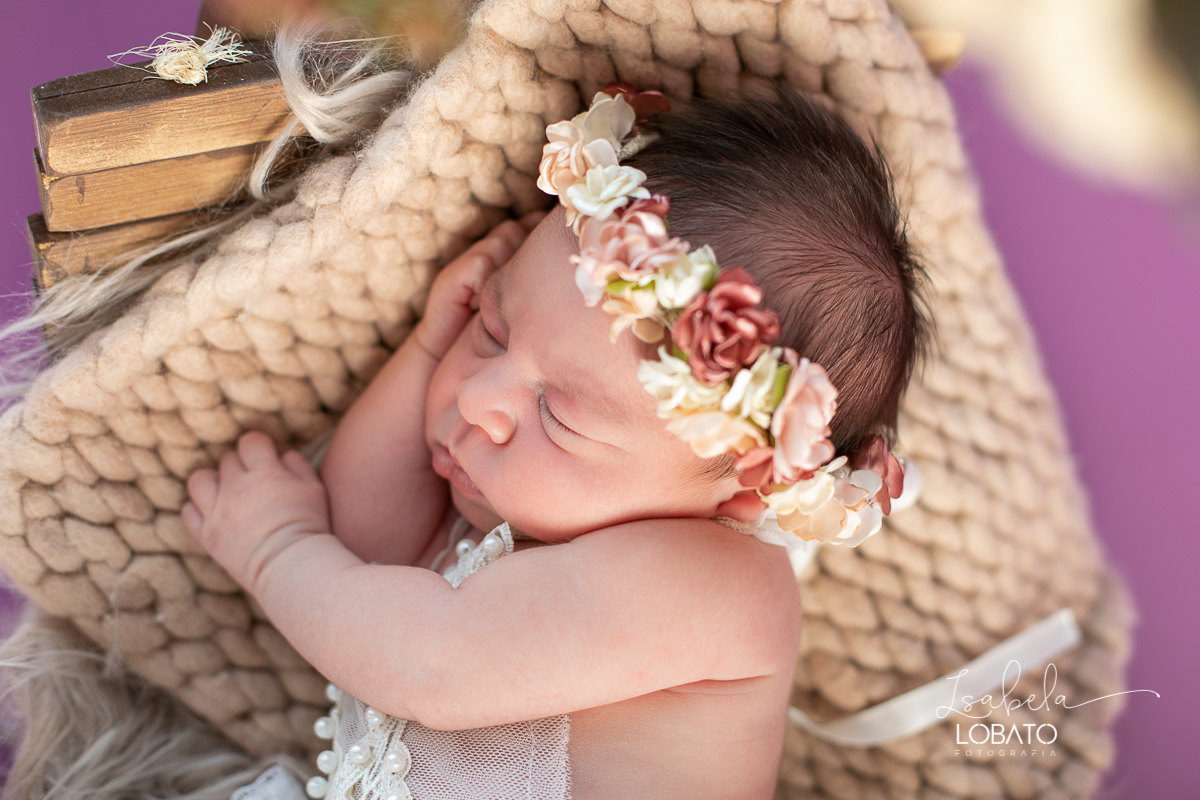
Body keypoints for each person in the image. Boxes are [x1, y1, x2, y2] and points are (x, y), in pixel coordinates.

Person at [182, 87, 928, 800]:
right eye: (492, 330)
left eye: (561, 414)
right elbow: (357, 545)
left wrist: (276, 549)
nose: (479, 398)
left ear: (743, 486)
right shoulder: (528, 503)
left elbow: (429, 664)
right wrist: (427, 346)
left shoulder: (724, 587)